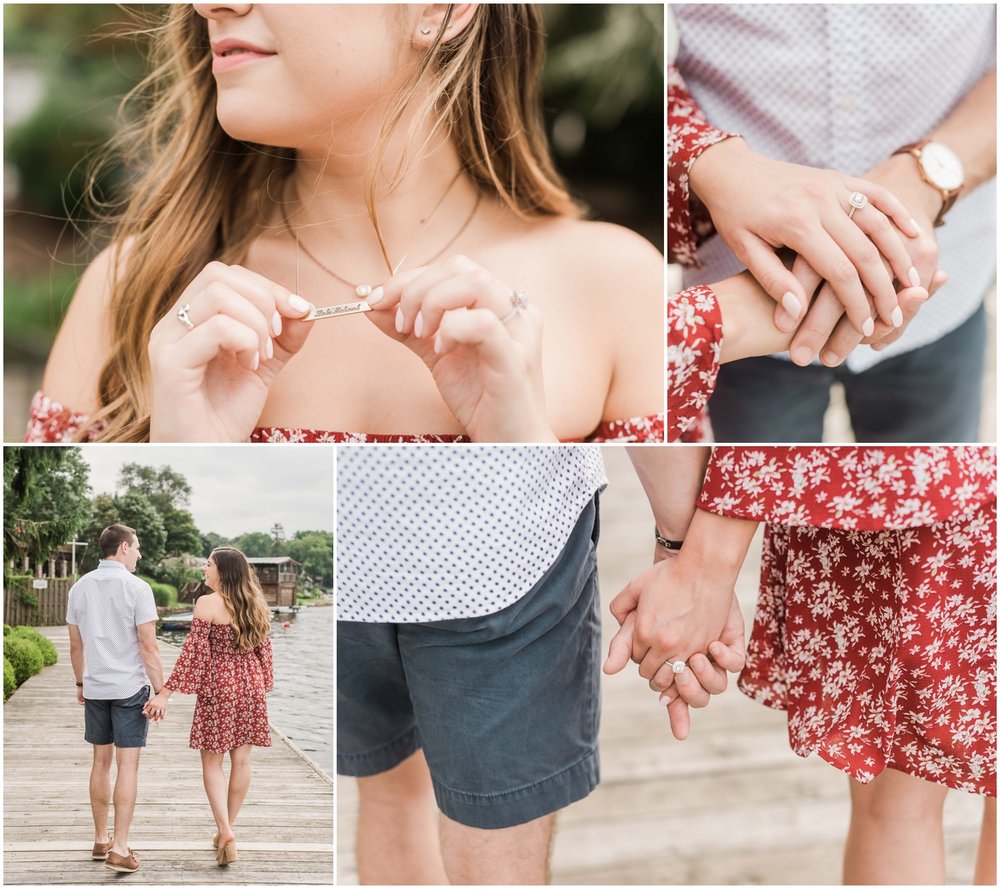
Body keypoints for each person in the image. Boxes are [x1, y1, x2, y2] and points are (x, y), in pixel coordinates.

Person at [29, 3, 662, 444]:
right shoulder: (131, 288)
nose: (209, 5)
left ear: (440, 10)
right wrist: (182, 457)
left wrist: (522, 443)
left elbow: (651, 560)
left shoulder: (617, 284)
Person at [607, 446, 997, 883]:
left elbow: (763, 408)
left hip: (898, 490)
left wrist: (697, 563)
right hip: (921, 481)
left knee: (896, 809)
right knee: (897, 805)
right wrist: (692, 564)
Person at [670, 4, 996, 442]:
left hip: (939, 282)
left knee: (927, 509)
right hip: (747, 293)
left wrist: (927, 176)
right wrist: (715, 162)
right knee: (759, 507)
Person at [337, 446, 606, 884]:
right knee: (499, 819)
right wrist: (679, 547)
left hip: (352, 554)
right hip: (493, 551)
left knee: (388, 784)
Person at [144, 547, 274, 866]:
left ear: (223, 571)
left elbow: (194, 655)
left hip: (221, 685)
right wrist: (263, 685)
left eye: (209, 564)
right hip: (252, 685)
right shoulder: (256, 603)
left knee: (213, 763)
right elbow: (265, 653)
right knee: (242, 763)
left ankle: (225, 831)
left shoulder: (207, 603)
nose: (204, 568)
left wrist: (165, 693)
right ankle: (225, 831)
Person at [67, 523, 163, 875]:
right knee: (127, 766)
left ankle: (99, 838)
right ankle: (120, 848)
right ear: (122, 547)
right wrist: (161, 689)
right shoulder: (138, 588)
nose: (139, 553)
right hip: (129, 688)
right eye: (136, 547)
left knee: (100, 762)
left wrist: (80, 682)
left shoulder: (79, 588)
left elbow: (76, 645)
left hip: (94, 687)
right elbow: (148, 645)